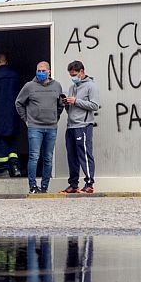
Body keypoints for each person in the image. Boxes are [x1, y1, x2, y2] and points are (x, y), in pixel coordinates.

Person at [15, 61, 64, 193]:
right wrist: (26, 119)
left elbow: (61, 104)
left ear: (49, 72)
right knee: (34, 156)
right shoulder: (29, 86)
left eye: (43, 70)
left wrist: (56, 117)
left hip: (51, 127)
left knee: (48, 158)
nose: (40, 73)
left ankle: (44, 187)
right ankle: (32, 186)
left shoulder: (57, 86)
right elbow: (19, 103)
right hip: (34, 127)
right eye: (38, 70)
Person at [60, 61, 100, 194]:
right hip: (70, 125)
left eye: (75, 74)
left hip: (83, 126)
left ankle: (89, 183)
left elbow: (94, 105)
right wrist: (66, 103)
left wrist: (76, 101)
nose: (73, 77)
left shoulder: (91, 86)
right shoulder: (72, 87)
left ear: (82, 72)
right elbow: (72, 108)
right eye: (71, 75)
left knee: (84, 154)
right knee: (72, 156)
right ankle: (73, 184)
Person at [0, 53, 22, 178]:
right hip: (14, 113)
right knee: (13, 140)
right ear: (7, 62)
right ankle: (15, 167)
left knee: (0, 140)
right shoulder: (15, 75)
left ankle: (3, 169)